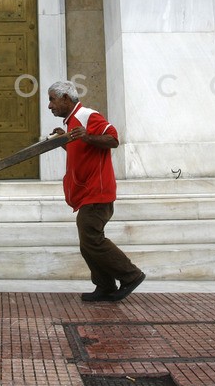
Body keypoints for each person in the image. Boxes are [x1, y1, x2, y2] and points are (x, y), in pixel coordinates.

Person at [47, 81, 146, 302]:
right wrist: (65, 139)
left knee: (92, 239)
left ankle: (131, 275)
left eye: (52, 99)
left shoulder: (87, 115)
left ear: (65, 98)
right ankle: (105, 286)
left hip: (97, 191)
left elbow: (113, 139)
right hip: (86, 193)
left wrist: (85, 136)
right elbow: (82, 149)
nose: (49, 105)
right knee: (88, 242)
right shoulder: (73, 121)